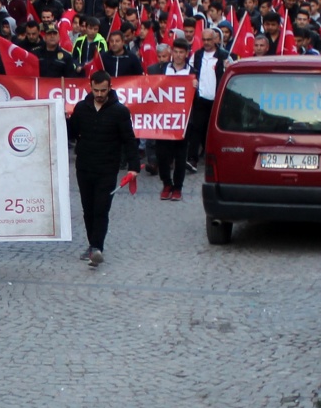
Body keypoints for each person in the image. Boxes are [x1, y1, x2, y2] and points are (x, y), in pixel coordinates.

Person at [66, 70, 140, 267]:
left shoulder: (120, 112)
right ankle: (93, 245)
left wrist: (133, 167)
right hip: (84, 167)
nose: (99, 94)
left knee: (101, 209)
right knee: (88, 210)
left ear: (110, 88)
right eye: (96, 90)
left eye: (103, 90)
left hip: (107, 169)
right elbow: (71, 134)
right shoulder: (81, 108)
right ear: (90, 87)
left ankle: (97, 247)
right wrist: (65, 119)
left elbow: (129, 140)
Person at [147, 38, 194, 200]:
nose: (179, 55)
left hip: (182, 120)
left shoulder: (193, 72)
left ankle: (178, 187)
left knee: (180, 155)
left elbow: (198, 96)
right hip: (163, 119)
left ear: (187, 54)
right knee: (162, 154)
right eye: (176, 52)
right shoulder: (160, 70)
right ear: (172, 53)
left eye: (182, 52)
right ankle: (167, 183)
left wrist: (195, 86)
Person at [187, 27, 227, 170]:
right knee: (196, 128)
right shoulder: (197, 55)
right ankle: (192, 159)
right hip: (201, 98)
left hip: (218, 100)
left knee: (216, 130)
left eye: (209, 39)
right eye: (204, 39)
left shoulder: (224, 56)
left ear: (216, 39)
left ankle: (217, 158)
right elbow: (190, 71)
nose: (206, 42)